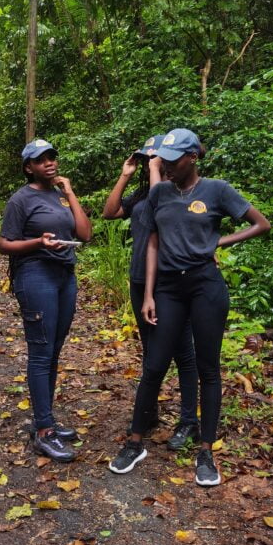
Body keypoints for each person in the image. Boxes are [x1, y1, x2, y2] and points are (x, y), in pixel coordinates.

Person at [108, 128, 270, 486]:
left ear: (193, 157)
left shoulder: (217, 190)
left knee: (207, 368)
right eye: (162, 160)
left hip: (205, 286)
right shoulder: (159, 193)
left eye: (173, 160)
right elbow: (152, 242)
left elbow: (261, 224)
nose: (165, 165)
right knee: (154, 365)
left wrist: (218, 242)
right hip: (168, 287)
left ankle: (206, 452)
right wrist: (149, 294)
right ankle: (134, 443)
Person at [103, 135, 199, 451]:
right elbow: (109, 212)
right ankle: (149, 411)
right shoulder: (144, 193)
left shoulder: (180, 192)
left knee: (183, 352)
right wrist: (126, 174)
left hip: (171, 282)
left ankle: (189, 421)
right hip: (140, 281)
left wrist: (157, 167)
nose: (151, 165)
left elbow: (162, 214)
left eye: (155, 159)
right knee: (151, 351)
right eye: (149, 161)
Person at [0, 139, 92, 462]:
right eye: (41, 160)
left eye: (52, 157)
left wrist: (70, 193)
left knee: (53, 349)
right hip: (35, 275)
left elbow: (85, 234)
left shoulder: (60, 196)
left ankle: (45, 419)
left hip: (64, 276)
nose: (50, 163)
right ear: (29, 167)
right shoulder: (20, 200)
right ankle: (43, 432)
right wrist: (38, 242)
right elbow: (4, 244)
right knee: (41, 352)